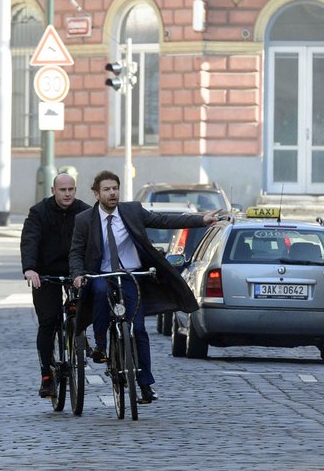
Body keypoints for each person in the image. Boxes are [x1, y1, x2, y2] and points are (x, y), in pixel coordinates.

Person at [69, 170, 219, 403]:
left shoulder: (132, 211)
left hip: (131, 276)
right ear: (97, 194)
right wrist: (78, 274)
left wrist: (200, 220)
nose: (112, 193)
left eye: (115, 188)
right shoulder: (84, 220)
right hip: (102, 275)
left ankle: (146, 384)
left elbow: (164, 221)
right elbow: (76, 251)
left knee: (138, 329)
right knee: (98, 291)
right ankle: (100, 343)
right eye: (107, 189)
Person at [20, 172, 92, 398]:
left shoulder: (85, 211)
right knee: (48, 322)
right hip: (45, 273)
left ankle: (80, 339)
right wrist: (30, 268)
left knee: (85, 308)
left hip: (75, 271)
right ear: (53, 191)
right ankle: (47, 376)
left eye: (71, 189)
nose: (68, 193)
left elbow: (94, 241)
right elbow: (30, 240)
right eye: (63, 190)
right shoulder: (38, 212)